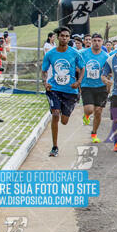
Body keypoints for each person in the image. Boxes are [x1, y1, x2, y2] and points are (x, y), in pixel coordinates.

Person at [41, 26, 85, 157]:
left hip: (70, 91)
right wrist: (45, 82)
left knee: (64, 120)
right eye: (62, 36)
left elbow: (82, 68)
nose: (64, 38)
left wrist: (78, 82)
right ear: (58, 37)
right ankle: (54, 146)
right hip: (54, 89)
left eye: (67, 36)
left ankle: (66, 111)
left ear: (69, 38)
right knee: (55, 114)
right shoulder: (50, 54)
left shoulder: (74, 53)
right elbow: (44, 70)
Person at [79, 33, 109, 143]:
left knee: (98, 111)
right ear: (91, 41)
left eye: (99, 41)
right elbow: (77, 65)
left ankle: (94, 133)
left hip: (101, 87)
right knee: (89, 109)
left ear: (102, 42)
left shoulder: (106, 56)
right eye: (94, 40)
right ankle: (86, 115)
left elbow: (109, 71)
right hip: (87, 85)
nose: (96, 43)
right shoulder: (83, 53)